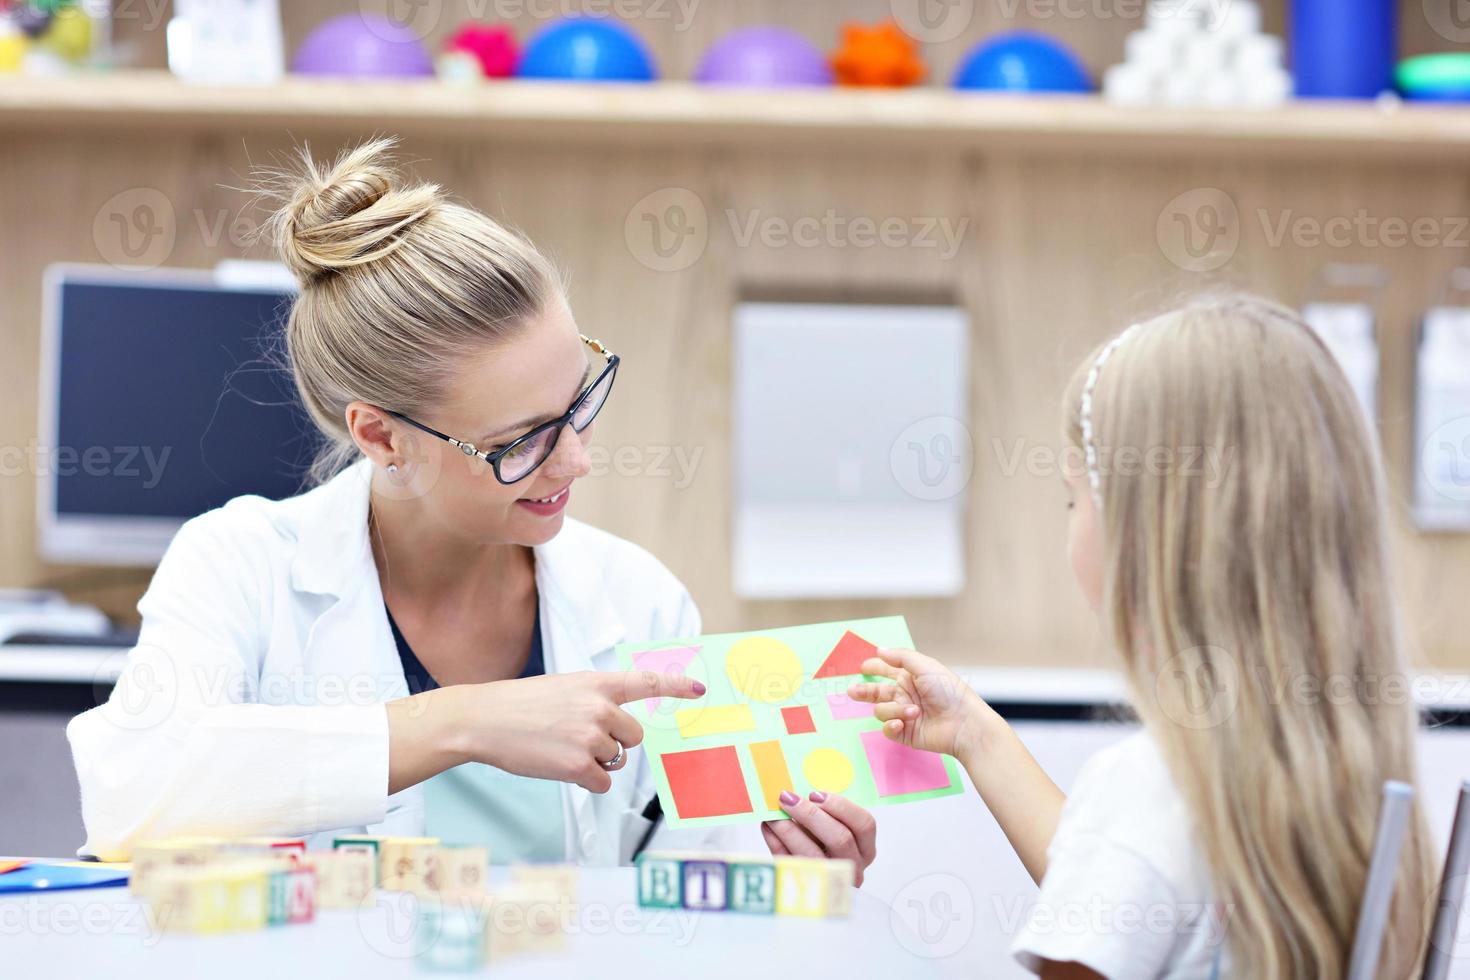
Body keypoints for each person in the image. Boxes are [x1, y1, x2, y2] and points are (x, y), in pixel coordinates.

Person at [67, 138, 878, 880]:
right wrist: (462, 723)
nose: (577, 459)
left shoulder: (636, 598)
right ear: (382, 437)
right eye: (521, 440)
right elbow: (130, 794)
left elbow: (681, 887)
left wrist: (793, 872)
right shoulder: (240, 562)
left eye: (579, 403)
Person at [851, 294, 1437, 977]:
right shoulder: (1334, 769)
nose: (1069, 524)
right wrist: (976, 734)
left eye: (1075, 499)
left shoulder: (1150, 787)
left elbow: (1131, 867)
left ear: (1143, 531)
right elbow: (1136, 886)